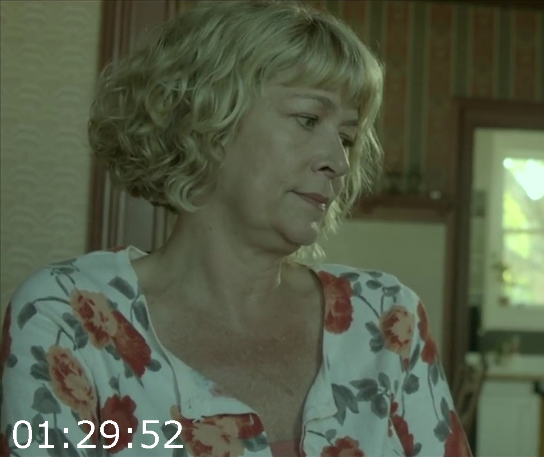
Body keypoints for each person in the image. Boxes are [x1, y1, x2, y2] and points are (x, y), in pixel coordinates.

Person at [0, 2, 470, 456]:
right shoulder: (66, 316)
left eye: (346, 137)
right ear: (205, 120)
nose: (339, 161)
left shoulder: (386, 318)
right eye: (308, 119)